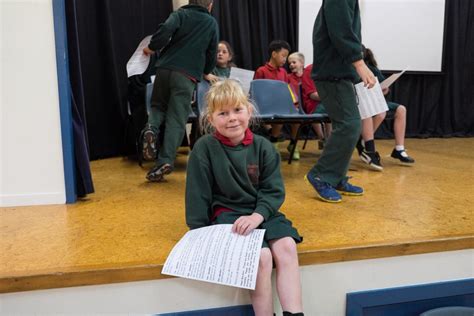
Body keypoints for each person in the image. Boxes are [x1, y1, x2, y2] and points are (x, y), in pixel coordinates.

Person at [186, 79, 304, 316]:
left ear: (249, 111)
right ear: (211, 119)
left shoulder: (264, 147)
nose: (232, 118)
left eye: (237, 110)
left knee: (287, 247)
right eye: (223, 113)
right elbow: (197, 195)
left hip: (262, 212)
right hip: (228, 215)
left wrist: (257, 216)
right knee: (260, 257)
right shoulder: (203, 148)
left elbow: (272, 191)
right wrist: (198, 234)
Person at [306, 0, 376, 203]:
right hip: (332, 73)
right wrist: (360, 63)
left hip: (338, 72)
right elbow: (341, 30)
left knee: (347, 126)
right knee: (350, 125)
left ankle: (335, 177)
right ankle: (321, 175)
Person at [141, 0, 218, 182]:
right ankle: (164, 161)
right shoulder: (210, 22)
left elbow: (165, 29)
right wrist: (205, 70)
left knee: (158, 106)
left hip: (165, 68)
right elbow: (211, 51)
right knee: (176, 118)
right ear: (210, 5)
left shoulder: (181, 14)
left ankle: (151, 129)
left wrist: (151, 48)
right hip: (186, 75)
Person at [355, 46, 415, 169]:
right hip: (361, 101)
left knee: (401, 109)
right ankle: (365, 141)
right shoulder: (352, 69)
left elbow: (383, 87)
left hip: (376, 100)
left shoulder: (371, 68)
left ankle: (399, 149)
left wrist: (385, 89)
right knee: (380, 112)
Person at [254, 40, 301, 161]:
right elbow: (256, 92)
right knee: (280, 114)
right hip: (266, 105)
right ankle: (274, 143)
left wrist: (293, 103)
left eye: (286, 56)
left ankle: (293, 143)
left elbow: (287, 90)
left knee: (296, 116)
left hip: (280, 105)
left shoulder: (284, 72)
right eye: (283, 55)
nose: (285, 59)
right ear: (274, 54)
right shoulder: (261, 71)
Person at [288, 53, 332, 149]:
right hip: (309, 104)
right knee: (332, 108)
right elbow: (311, 95)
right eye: (290, 63)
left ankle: (328, 139)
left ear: (302, 63)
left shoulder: (326, 71)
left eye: (293, 62)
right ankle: (324, 138)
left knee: (332, 108)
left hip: (321, 102)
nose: (291, 65)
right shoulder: (308, 71)